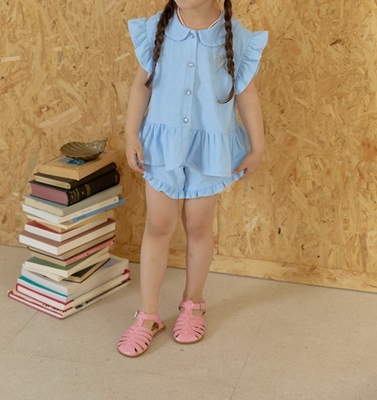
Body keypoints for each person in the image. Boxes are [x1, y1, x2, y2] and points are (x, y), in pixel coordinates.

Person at [118, 0, 268, 357]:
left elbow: (246, 94)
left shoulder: (236, 37)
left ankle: (193, 303)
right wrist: (131, 134)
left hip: (208, 151)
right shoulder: (158, 26)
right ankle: (148, 315)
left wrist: (257, 147)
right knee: (158, 226)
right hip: (161, 148)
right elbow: (142, 85)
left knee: (198, 226)